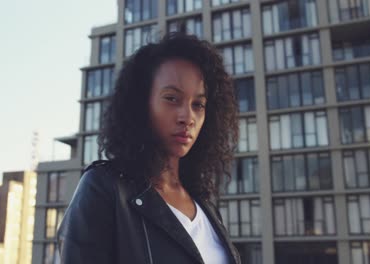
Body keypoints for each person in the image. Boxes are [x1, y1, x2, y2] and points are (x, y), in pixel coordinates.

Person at [57, 31, 241, 264]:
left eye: (198, 105)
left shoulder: (205, 207)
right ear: (142, 104)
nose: (188, 117)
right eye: (172, 98)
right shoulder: (104, 189)